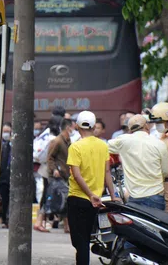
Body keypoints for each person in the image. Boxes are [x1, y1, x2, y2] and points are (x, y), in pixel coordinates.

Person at [67, 110, 119, 265]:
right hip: (95, 200)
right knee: (85, 238)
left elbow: (76, 175)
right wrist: (112, 194)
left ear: (77, 126)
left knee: (80, 242)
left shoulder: (75, 147)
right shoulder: (103, 146)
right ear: (94, 126)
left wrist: (89, 194)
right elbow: (107, 172)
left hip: (78, 198)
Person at [108, 115, 168, 210]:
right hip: (156, 196)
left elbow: (104, 146)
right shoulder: (160, 144)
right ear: (146, 126)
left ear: (130, 129)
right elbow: (165, 171)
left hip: (135, 197)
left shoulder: (123, 141)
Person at [33, 115, 62, 232]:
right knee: (49, 196)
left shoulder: (45, 135)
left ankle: (43, 221)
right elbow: (51, 157)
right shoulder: (53, 139)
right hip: (50, 171)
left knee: (47, 194)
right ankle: (41, 221)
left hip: (45, 170)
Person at [47, 118, 73, 233]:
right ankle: (42, 221)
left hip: (65, 175)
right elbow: (50, 157)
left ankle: (67, 225)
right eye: (72, 127)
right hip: (57, 176)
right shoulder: (57, 141)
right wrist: (54, 170)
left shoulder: (68, 141)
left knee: (64, 201)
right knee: (60, 200)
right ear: (68, 128)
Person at [0, 122, 12, 228]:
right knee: (4, 198)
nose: (5, 134)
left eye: (7, 132)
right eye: (4, 132)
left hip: (11, 175)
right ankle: (2, 218)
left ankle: (7, 219)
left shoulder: (12, 144)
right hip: (2, 176)